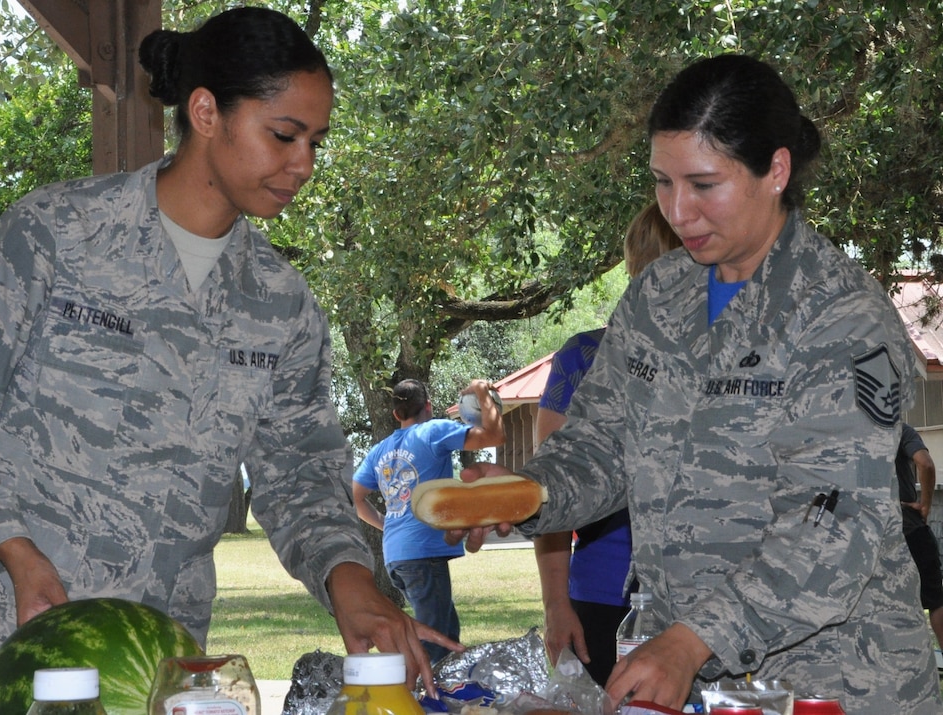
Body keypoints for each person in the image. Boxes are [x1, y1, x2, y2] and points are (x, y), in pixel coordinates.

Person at [0, 8, 456, 713]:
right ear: (205, 112)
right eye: (283, 135)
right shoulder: (54, 237)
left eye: (314, 142)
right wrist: (17, 553)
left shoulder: (282, 303)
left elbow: (300, 474)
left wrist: (349, 578)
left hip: (146, 676)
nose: (302, 163)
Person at [451, 54, 942, 713]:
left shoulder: (844, 316)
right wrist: (524, 493)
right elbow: (598, 445)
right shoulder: (659, 296)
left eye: (704, 184)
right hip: (693, 682)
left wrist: (693, 641)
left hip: (836, 682)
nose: (678, 210)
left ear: (776, 170)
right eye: (662, 182)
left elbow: (832, 521)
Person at [533, 203, 680, 685]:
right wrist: (555, 606)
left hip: (700, 597)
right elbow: (552, 487)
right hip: (602, 592)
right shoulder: (585, 355)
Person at [352, 378, 504, 664]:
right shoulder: (434, 430)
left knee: (447, 634)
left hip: (396, 555)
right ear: (429, 406)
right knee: (434, 642)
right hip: (423, 554)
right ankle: (419, 700)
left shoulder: (379, 450)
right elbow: (493, 436)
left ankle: (449, 696)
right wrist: (484, 394)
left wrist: (390, 526)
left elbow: (356, 497)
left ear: (397, 414)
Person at [896, 422, 943, 647]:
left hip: (866, 537)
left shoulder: (844, 434)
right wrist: (925, 505)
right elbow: (926, 464)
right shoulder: (898, 429)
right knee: (936, 600)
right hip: (909, 528)